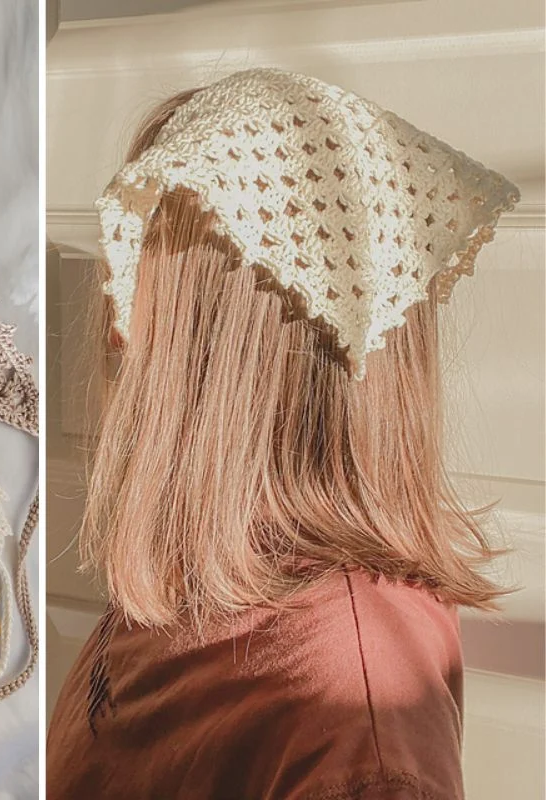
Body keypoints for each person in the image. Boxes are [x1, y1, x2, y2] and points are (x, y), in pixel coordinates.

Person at [46, 69, 520, 799]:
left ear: (222, 346)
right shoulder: (206, 566)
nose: (116, 323)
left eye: (141, 279)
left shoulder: (356, 720)